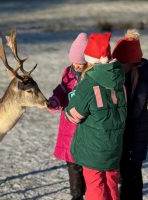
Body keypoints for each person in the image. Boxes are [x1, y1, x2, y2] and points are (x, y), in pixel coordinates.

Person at [65, 32, 127, 200]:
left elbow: (74, 114)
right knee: (111, 181)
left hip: (94, 146)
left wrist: (68, 107)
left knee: (95, 183)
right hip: (114, 145)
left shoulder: (89, 84)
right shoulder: (120, 79)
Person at [47, 33, 88, 200]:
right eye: (75, 62)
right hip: (69, 128)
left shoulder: (91, 76)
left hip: (85, 127)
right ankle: (76, 195)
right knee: (73, 164)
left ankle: (90, 192)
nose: (77, 66)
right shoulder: (68, 73)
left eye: (82, 63)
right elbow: (62, 90)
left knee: (87, 163)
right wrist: (55, 101)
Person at [112, 29, 148, 200]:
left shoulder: (142, 76)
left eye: (119, 63)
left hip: (135, 136)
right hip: (123, 135)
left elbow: (135, 108)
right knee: (126, 174)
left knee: (132, 175)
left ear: (130, 61)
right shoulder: (123, 73)